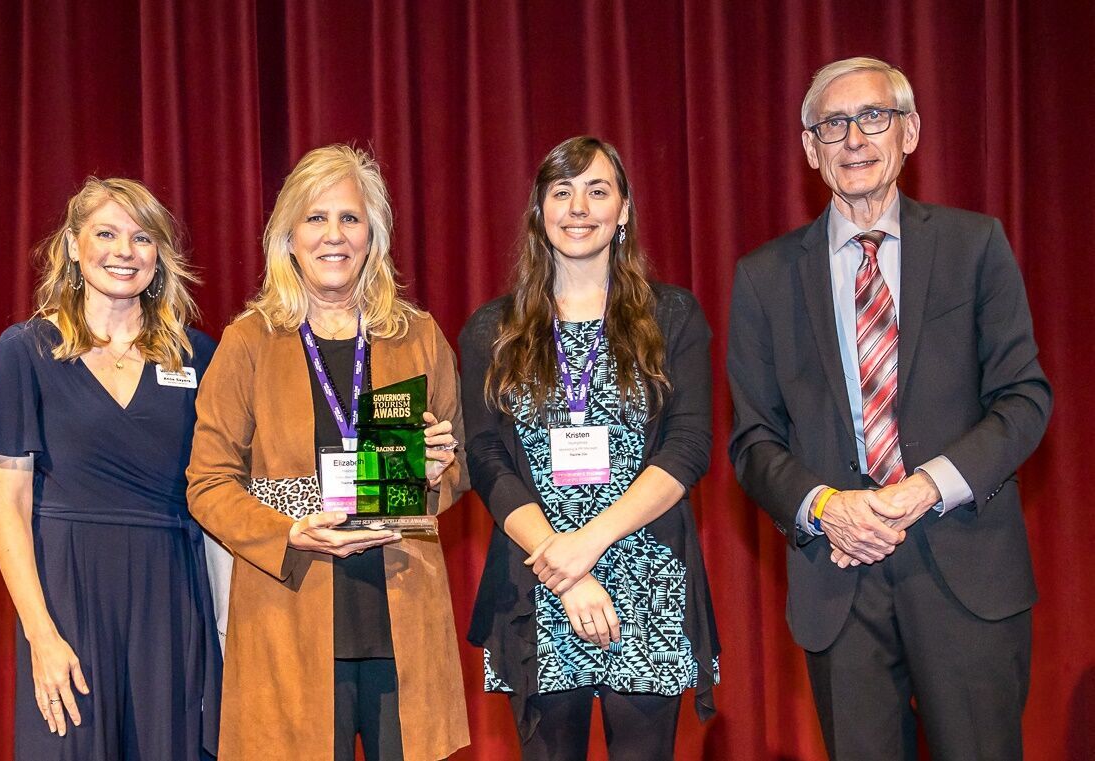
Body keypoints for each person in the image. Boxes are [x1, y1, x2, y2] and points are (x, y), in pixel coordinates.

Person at [727, 57, 1052, 760]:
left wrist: (925, 486)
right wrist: (825, 506)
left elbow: (1025, 399)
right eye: (833, 124)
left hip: (965, 570)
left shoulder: (976, 245)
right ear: (810, 149)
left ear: (910, 132)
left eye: (873, 117)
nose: (855, 139)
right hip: (838, 582)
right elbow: (753, 441)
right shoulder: (762, 277)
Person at [186, 144, 470, 761]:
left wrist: (431, 471)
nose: (333, 235)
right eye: (315, 218)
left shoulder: (416, 335)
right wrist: (288, 533)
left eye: (350, 218)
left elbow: (458, 469)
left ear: (374, 236)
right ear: (288, 236)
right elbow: (207, 485)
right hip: (289, 612)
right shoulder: (248, 342)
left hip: (400, 616)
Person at [460, 135, 720, 761]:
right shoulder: (492, 330)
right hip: (539, 583)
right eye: (562, 192)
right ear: (539, 211)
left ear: (624, 209)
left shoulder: (672, 316)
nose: (579, 208)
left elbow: (687, 449)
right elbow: (486, 459)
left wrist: (587, 545)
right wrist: (563, 566)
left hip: (647, 582)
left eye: (598, 191)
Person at [0, 177, 221, 759]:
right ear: (72, 246)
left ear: (158, 255)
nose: (124, 251)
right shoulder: (25, 350)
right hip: (69, 596)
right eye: (106, 233)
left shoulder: (198, 356)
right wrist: (41, 634)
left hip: (172, 598)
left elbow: (234, 479)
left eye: (141, 238)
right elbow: (8, 507)